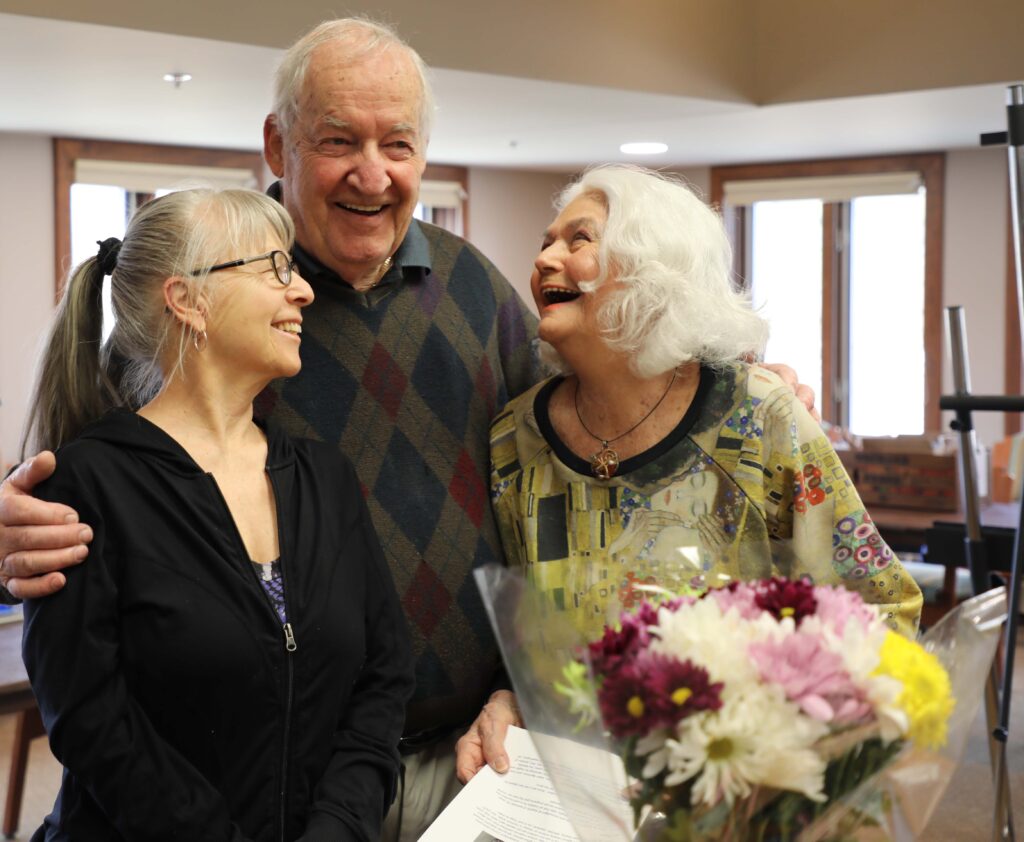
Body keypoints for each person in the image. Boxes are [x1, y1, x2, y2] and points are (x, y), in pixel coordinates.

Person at [0, 18, 819, 839]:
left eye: (398, 144)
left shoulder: (479, 292)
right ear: (277, 143)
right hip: (269, 776)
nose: (372, 172)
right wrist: (12, 527)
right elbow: (83, 488)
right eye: (337, 140)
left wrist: (723, 388)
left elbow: (596, 421)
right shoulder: (212, 309)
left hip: (468, 753)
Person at [19, 187, 413, 841]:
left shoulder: (326, 480)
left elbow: (385, 674)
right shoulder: (87, 486)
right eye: (277, 269)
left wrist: (339, 827)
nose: (304, 292)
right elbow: (91, 720)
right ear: (189, 300)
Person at [488, 164, 923, 648]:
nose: (545, 258)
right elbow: (514, 634)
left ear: (652, 270)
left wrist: (775, 700)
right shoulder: (516, 436)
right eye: (545, 242)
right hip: (558, 726)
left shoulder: (757, 417)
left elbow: (882, 607)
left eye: (578, 240)